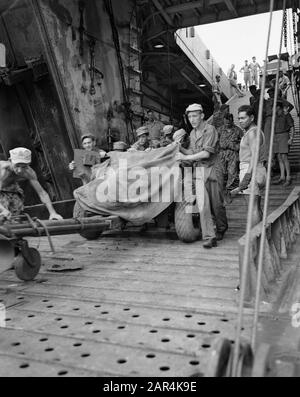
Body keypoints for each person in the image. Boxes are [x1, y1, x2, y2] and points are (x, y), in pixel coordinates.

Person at [176, 103, 228, 248]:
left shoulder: (210, 130)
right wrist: (178, 148)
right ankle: (210, 237)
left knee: (217, 205)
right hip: (199, 169)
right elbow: (193, 153)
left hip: (213, 168)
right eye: (189, 116)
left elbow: (206, 153)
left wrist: (184, 158)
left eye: (195, 116)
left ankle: (222, 227)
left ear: (202, 116)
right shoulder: (192, 134)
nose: (192, 119)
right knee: (203, 204)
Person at [0, 147, 63, 221]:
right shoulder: (2, 170)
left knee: (12, 217)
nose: (20, 170)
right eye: (17, 166)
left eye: (24, 167)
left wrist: (53, 213)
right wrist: (2, 209)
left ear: (28, 164)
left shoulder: (29, 173)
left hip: (12, 190)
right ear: (10, 160)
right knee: (3, 212)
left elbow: (42, 193)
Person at [231, 106, 266, 228]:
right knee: (256, 206)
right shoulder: (255, 131)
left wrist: (247, 176)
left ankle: (254, 237)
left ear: (251, 117)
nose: (240, 121)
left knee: (252, 208)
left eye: (243, 118)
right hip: (258, 169)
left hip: (251, 169)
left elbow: (254, 155)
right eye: (239, 118)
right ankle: (260, 235)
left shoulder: (252, 133)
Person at [218, 113, 243, 195]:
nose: (227, 123)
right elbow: (214, 141)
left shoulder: (238, 130)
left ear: (232, 121)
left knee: (232, 172)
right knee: (221, 172)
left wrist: (236, 146)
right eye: (226, 122)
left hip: (233, 153)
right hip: (221, 153)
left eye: (229, 121)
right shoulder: (219, 130)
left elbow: (243, 142)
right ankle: (220, 190)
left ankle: (229, 191)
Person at [272, 101, 294, 186]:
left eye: (274, 107)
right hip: (276, 136)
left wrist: (291, 138)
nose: (273, 108)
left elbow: (292, 126)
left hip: (284, 135)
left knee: (284, 157)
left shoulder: (286, 115)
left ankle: (288, 177)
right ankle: (282, 177)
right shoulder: (275, 116)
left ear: (278, 107)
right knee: (279, 157)